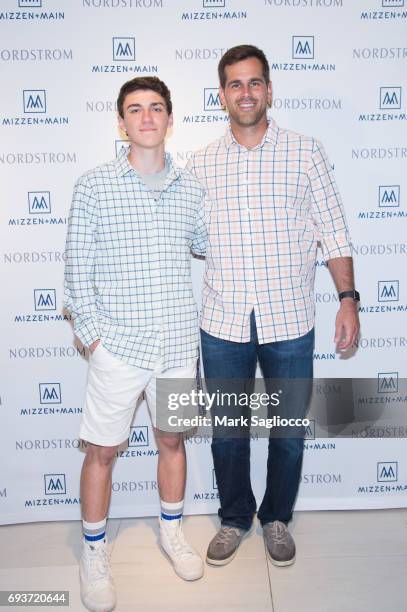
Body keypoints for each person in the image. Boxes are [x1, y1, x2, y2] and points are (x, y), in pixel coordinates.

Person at [187, 45, 360, 568]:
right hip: (222, 322)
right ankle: (235, 518)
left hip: (290, 320)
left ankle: (277, 517)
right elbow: (190, 240)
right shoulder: (199, 163)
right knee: (228, 433)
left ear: (269, 90)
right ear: (222, 96)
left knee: (287, 431)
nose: (246, 93)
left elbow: (334, 230)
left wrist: (347, 300)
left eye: (255, 83)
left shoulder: (305, 152)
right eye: (235, 85)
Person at [64, 76, 206, 612]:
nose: (146, 117)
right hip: (118, 348)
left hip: (173, 344)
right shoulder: (94, 185)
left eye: (156, 108)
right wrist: (97, 340)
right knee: (102, 451)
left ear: (170, 119)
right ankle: (94, 552)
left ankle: (172, 532)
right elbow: (77, 274)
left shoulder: (193, 189)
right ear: (121, 123)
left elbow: (204, 245)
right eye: (134, 110)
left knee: (172, 442)